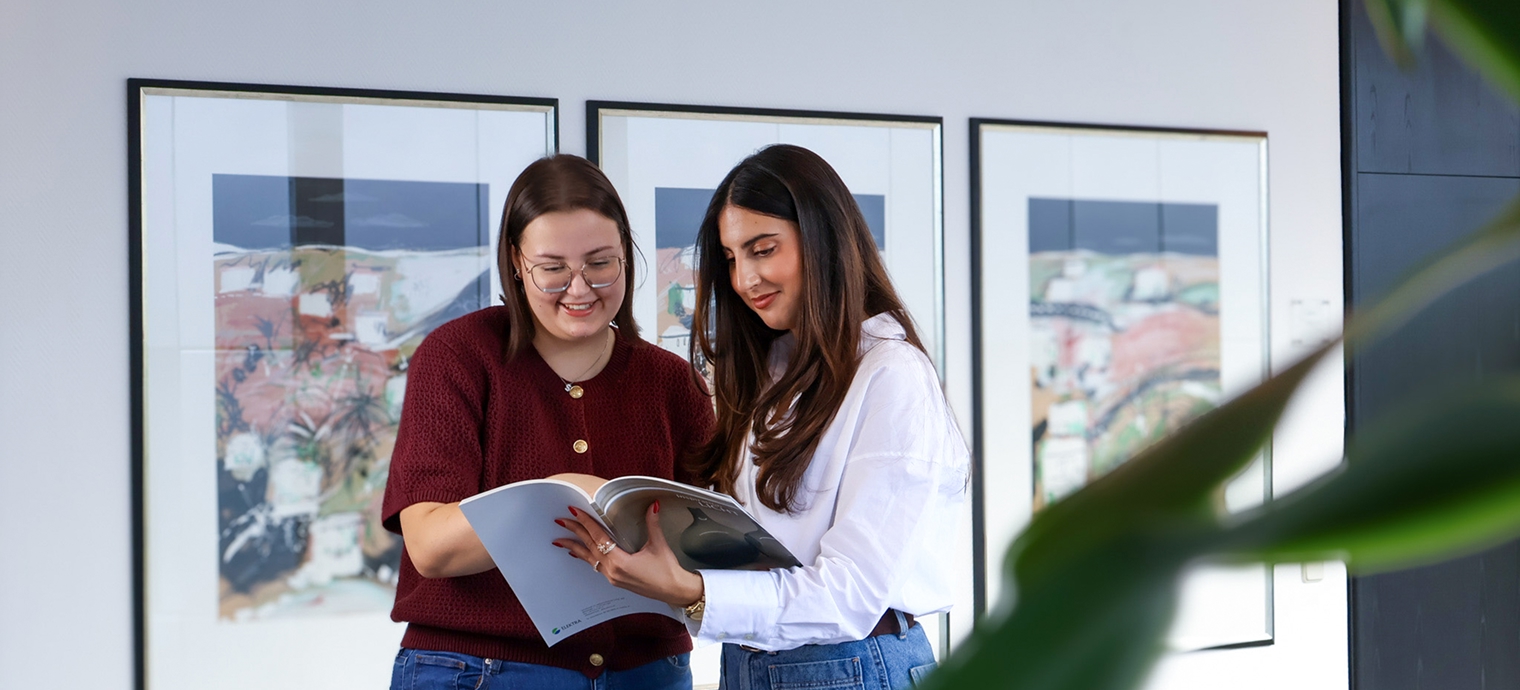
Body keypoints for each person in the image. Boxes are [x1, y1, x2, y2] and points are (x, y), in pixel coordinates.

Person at [557, 144, 969, 690]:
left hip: (852, 663)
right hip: (753, 663)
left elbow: (849, 598)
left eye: (763, 249)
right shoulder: (768, 372)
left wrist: (690, 590)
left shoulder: (891, 374)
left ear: (823, 240)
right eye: (730, 259)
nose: (745, 278)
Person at [381, 154, 714, 690]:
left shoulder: (674, 382)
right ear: (516, 262)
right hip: (480, 671)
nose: (579, 289)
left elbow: (707, 550)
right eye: (553, 268)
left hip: (649, 672)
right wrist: (564, 489)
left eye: (600, 263)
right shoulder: (458, 357)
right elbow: (431, 549)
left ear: (626, 258)